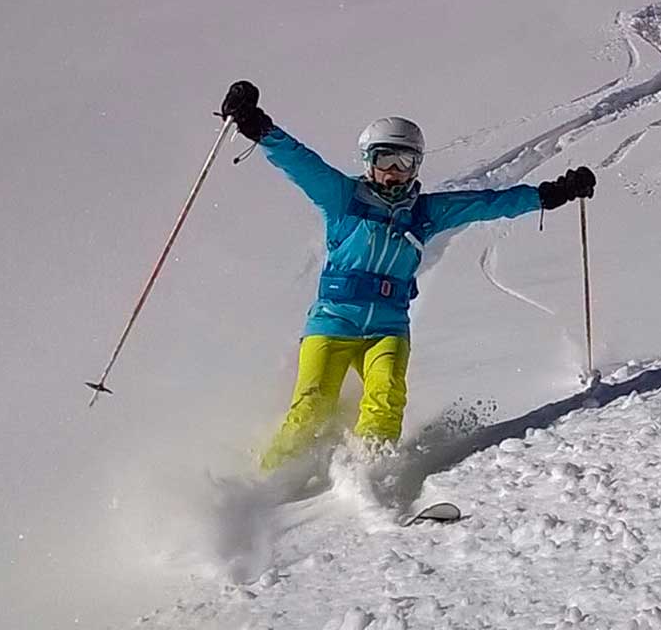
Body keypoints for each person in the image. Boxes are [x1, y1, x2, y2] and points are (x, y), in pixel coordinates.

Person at [218, 81, 595, 469]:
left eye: (406, 163)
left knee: (386, 399)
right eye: (385, 161)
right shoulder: (343, 199)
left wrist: (551, 194)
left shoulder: (424, 213)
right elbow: (301, 163)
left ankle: (370, 473)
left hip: (388, 327)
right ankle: (272, 480)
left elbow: (487, 203)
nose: (395, 173)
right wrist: (256, 125)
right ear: (368, 162)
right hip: (332, 322)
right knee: (312, 406)